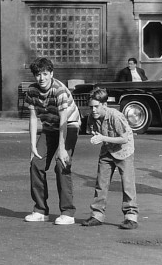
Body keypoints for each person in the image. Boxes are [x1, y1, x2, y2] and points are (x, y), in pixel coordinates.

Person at [23, 57, 80, 225]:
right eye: (38, 75)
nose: (42, 78)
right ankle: (40, 210)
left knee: (61, 163)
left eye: (45, 74)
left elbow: (64, 121)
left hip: (68, 125)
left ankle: (68, 212)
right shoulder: (32, 91)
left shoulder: (59, 90)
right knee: (36, 163)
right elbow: (33, 118)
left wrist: (62, 149)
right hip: (49, 126)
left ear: (52, 74)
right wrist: (33, 146)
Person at [82, 88, 138, 229]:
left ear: (104, 105)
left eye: (96, 106)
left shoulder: (115, 116)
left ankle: (131, 217)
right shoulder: (91, 117)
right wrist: (96, 136)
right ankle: (97, 215)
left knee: (127, 183)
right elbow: (92, 130)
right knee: (101, 182)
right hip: (107, 150)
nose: (93, 110)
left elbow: (124, 139)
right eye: (91, 106)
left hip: (124, 151)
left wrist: (102, 138)